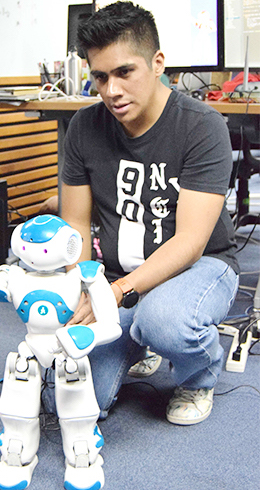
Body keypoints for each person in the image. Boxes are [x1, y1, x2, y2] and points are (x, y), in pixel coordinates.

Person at [60, 1, 239, 425]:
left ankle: (199, 375)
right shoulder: (83, 127)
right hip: (117, 275)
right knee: (75, 400)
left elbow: (190, 242)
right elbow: (75, 224)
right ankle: (137, 338)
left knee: (165, 322)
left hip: (200, 265)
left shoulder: (202, 126)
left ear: (158, 63)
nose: (111, 91)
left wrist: (117, 293)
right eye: (100, 77)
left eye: (125, 72)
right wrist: (80, 289)